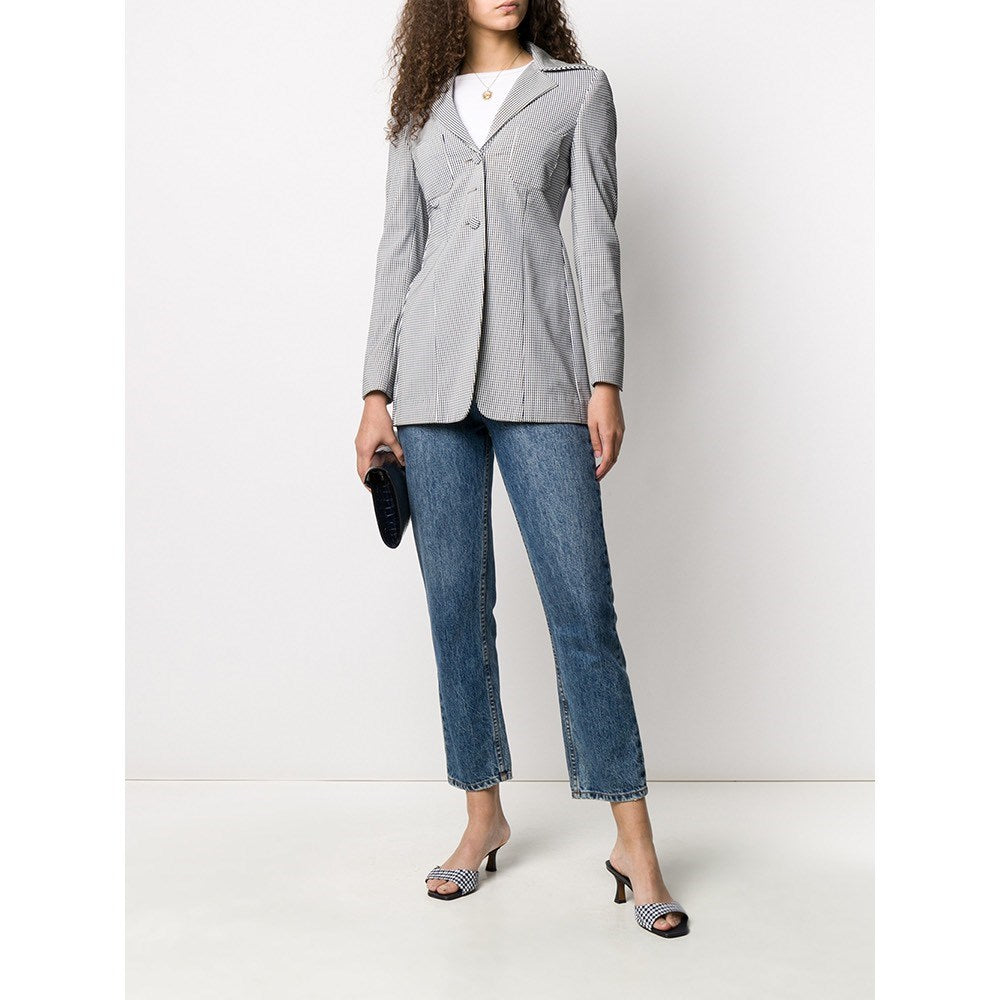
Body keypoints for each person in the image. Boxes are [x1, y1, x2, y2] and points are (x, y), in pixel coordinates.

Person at [355, 0, 690, 938]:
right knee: (455, 607)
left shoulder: (576, 92)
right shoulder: (419, 106)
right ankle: (482, 816)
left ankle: (635, 842)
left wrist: (605, 377)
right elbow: (398, 248)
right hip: (429, 385)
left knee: (583, 608)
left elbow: (595, 240)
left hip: (542, 372)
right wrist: (375, 393)